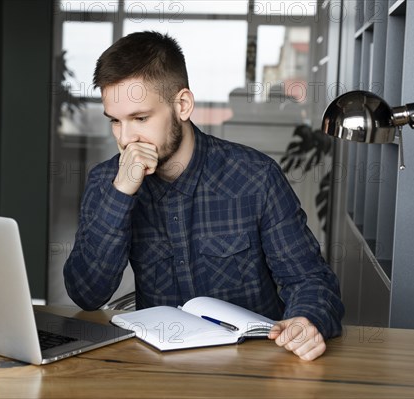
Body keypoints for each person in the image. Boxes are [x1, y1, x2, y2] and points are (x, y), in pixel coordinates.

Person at [64, 31, 344, 361]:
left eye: (140, 118)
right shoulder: (107, 183)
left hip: (253, 367)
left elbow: (311, 280)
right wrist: (122, 194)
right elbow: (86, 293)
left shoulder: (256, 177)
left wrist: (305, 321)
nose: (126, 138)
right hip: (158, 368)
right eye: (115, 121)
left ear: (182, 105)